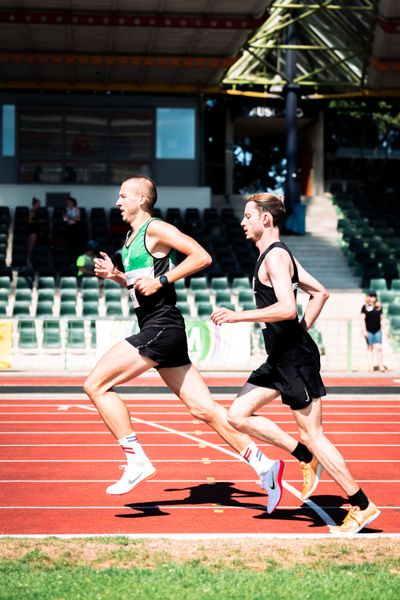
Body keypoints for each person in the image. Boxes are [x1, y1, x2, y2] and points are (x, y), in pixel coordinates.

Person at [83, 176, 285, 514]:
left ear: (143, 199)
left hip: (162, 327)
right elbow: (140, 283)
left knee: (95, 385)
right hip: (158, 327)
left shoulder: (155, 228)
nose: (118, 202)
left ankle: (135, 461)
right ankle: (265, 466)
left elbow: (201, 256)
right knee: (204, 410)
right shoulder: (132, 238)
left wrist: (164, 279)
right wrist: (116, 276)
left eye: (123, 196)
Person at [211, 193, 380, 534]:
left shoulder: (275, 258)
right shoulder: (279, 255)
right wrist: (300, 332)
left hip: (294, 360)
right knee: (237, 414)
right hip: (281, 356)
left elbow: (287, 308)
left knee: (315, 435)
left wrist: (238, 316)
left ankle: (362, 505)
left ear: (266, 220)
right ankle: (305, 457)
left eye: (248, 216)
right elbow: (320, 293)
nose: (243, 222)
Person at [361, 290, 387, 372]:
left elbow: (382, 319)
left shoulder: (379, 307)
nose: (373, 298)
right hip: (369, 330)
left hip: (377, 330)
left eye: (374, 296)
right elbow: (362, 319)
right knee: (370, 348)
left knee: (379, 348)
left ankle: (381, 366)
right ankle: (370, 366)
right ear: (368, 297)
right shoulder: (364, 307)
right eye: (371, 296)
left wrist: (384, 328)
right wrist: (364, 330)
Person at [64, 197, 81, 264]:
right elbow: (65, 219)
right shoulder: (66, 210)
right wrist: (71, 218)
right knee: (69, 245)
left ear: (73, 203)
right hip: (68, 227)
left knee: (74, 244)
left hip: (75, 228)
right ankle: (69, 261)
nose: (68, 204)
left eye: (69, 202)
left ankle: (75, 260)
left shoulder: (76, 209)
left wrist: (70, 217)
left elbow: (77, 219)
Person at [27, 198, 43, 263]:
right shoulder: (32, 211)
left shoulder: (37, 211)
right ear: (35, 204)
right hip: (33, 230)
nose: (39, 205)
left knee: (34, 246)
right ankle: (28, 260)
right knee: (31, 246)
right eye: (38, 204)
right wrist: (38, 221)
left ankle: (32, 259)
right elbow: (29, 221)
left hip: (36, 230)